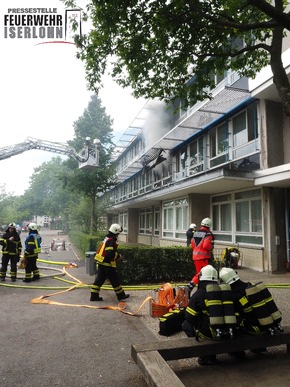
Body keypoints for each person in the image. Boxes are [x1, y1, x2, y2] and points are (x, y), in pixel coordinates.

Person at [182, 265, 219, 365]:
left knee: (186, 325)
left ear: (201, 278)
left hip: (210, 332)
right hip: (227, 330)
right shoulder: (223, 290)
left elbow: (189, 317)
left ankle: (203, 352)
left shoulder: (199, 294)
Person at [90, 223, 130, 302]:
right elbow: (110, 254)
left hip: (101, 262)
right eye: (118, 233)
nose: (118, 234)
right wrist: (119, 256)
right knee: (115, 280)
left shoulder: (107, 238)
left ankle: (94, 296)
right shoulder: (111, 240)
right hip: (107, 264)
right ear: (115, 232)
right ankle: (121, 295)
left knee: (99, 280)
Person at [190, 217, 214, 286]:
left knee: (201, 274)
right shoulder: (208, 234)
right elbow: (206, 246)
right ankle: (191, 285)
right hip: (203, 258)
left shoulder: (196, 233)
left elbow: (192, 245)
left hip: (195, 257)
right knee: (202, 273)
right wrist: (211, 247)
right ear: (209, 226)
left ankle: (201, 287)